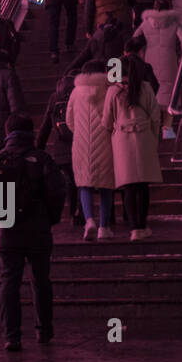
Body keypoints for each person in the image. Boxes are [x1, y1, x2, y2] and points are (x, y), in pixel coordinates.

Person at [0, 114, 66, 350]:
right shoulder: (42, 158)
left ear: (7, 133)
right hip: (38, 229)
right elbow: (57, 192)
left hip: (7, 230)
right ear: (32, 132)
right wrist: (49, 219)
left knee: (9, 281)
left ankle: (12, 336)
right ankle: (44, 331)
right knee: (41, 280)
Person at [105, 56, 163, 241]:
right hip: (144, 136)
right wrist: (154, 138)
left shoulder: (113, 91)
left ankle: (133, 228)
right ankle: (142, 225)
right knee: (143, 185)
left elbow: (106, 120)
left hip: (122, 139)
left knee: (128, 185)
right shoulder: (145, 88)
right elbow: (155, 116)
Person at [67, 60, 116, 240]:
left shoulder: (75, 91)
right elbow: (113, 114)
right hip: (105, 141)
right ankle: (104, 227)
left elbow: (69, 118)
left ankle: (89, 221)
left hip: (81, 143)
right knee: (106, 186)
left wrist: (79, 132)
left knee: (84, 183)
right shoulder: (108, 89)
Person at [36, 70, 83, 225]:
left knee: (70, 180)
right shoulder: (80, 94)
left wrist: (39, 147)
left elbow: (46, 125)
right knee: (82, 180)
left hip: (61, 148)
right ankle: (81, 212)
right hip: (80, 143)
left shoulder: (54, 97)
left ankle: (72, 213)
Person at [133, 0, 182, 112]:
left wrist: (141, 54)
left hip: (150, 57)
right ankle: (170, 112)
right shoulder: (173, 23)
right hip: (169, 57)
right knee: (169, 84)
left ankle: (154, 110)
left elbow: (135, 37)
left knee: (153, 83)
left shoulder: (146, 23)